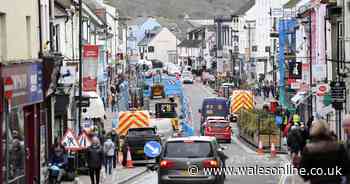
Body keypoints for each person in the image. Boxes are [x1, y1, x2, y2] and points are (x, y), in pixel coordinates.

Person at [299, 120, 348, 184]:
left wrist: (310, 177)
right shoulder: (338, 146)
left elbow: (303, 171)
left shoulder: (309, 149)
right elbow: (346, 167)